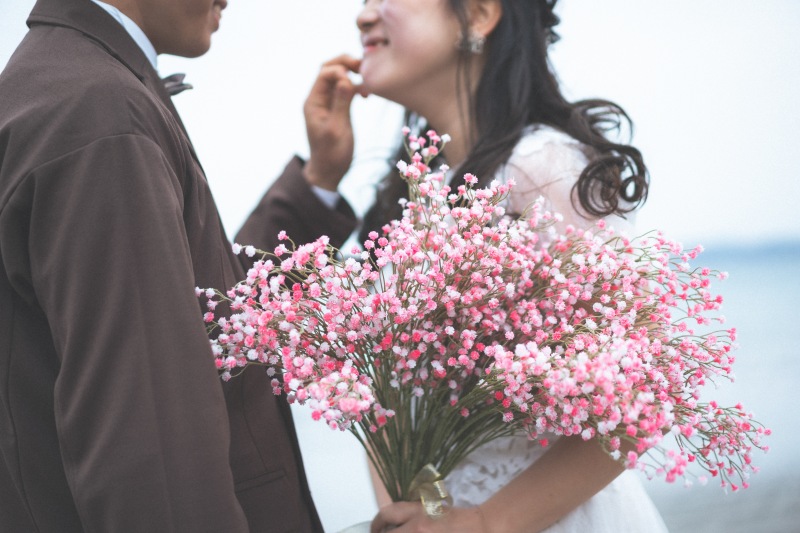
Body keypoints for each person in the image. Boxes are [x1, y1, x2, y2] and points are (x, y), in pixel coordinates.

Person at [248, 0, 671, 531]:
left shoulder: (541, 167)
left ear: (478, 14)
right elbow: (383, 398)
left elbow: (640, 399)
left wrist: (485, 523)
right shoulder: (417, 191)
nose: (363, 16)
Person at [0, 0, 329, 531]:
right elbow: (153, 448)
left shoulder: (70, 84)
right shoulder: (98, 112)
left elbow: (208, 317)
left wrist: (315, 186)